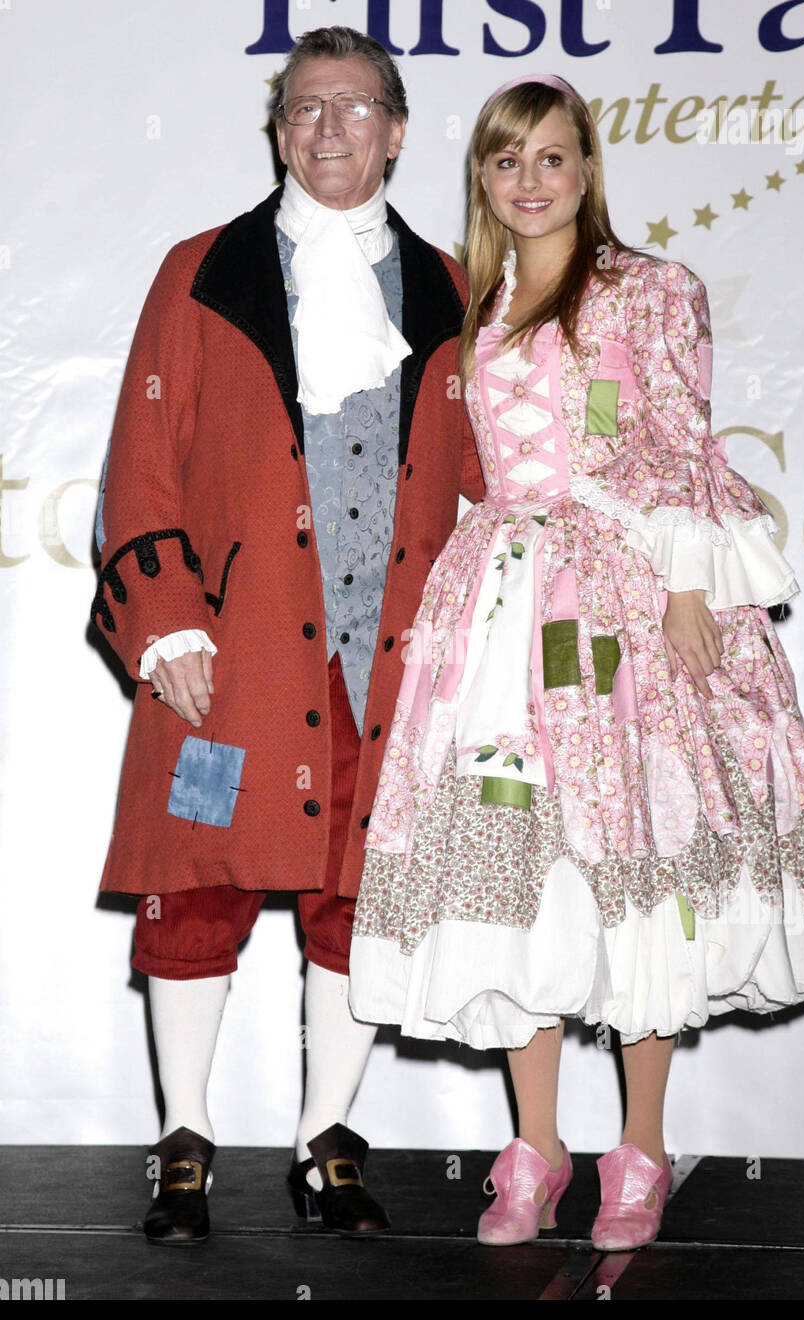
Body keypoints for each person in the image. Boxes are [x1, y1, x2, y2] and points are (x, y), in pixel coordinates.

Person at [347, 74, 804, 1249]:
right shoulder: (469, 308)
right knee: (514, 867)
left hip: (619, 603)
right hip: (497, 615)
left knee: (634, 862)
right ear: (481, 176)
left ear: (588, 169)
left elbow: (684, 446)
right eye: (507, 162)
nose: (530, 182)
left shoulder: (653, 289)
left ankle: (644, 1151)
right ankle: (535, 1149)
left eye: (553, 159)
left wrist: (685, 589)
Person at [91, 25, 483, 1243]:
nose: (328, 131)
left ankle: (326, 1143)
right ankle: (185, 1141)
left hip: (392, 667)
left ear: (399, 132)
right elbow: (138, 465)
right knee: (196, 895)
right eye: (307, 109)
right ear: (277, 129)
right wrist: (164, 629)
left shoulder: (455, 286)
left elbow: (492, 476)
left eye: (355, 110)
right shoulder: (201, 271)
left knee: (355, 904)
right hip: (234, 661)